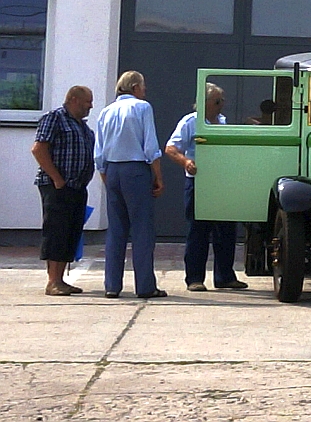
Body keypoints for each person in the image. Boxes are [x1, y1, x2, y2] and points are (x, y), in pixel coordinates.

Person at [165, 82, 247, 292]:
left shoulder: (222, 122)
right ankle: (194, 278)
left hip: (222, 183)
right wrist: (186, 162)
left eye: (222, 101)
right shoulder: (190, 122)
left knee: (226, 231)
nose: (222, 105)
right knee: (198, 231)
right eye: (218, 101)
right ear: (206, 102)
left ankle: (225, 276)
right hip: (199, 183)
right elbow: (171, 148)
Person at [94, 70, 167, 299]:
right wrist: (158, 176)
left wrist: (106, 176)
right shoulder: (142, 108)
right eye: (143, 86)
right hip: (135, 169)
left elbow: (99, 151)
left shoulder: (106, 112)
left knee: (116, 229)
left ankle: (112, 285)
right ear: (135, 87)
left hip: (113, 169)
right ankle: (145, 285)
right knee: (142, 229)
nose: (144, 91)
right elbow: (150, 146)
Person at [31, 86, 95, 296]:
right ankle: (53, 281)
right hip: (57, 186)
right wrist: (57, 179)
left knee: (71, 232)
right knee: (56, 232)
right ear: (75, 100)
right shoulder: (55, 118)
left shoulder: (84, 128)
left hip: (77, 188)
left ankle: (61, 280)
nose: (91, 106)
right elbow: (39, 148)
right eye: (88, 102)